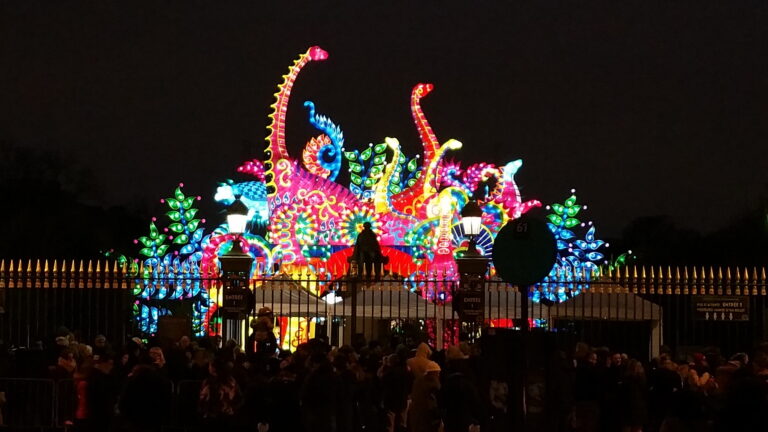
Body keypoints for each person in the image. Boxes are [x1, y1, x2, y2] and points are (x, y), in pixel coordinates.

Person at [199, 357, 242, 429]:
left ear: (213, 368)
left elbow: (202, 399)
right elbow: (240, 398)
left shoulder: (208, 382)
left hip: (212, 417)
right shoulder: (231, 381)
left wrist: (202, 411)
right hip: (228, 415)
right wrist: (233, 408)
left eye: (209, 365)